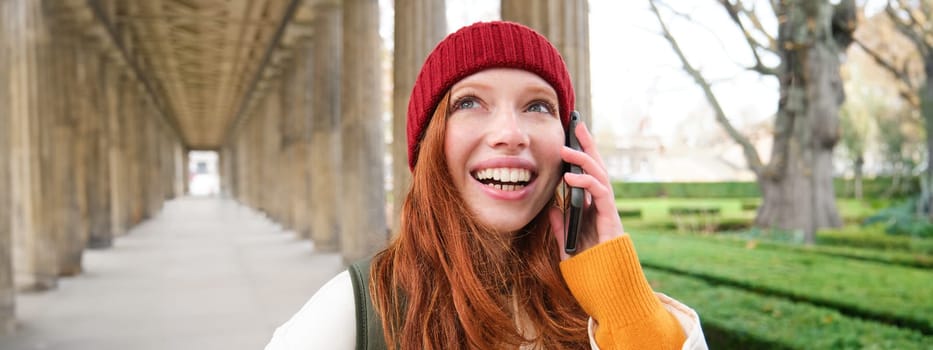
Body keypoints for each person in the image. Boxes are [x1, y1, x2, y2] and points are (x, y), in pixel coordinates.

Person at [265, 21, 706, 350]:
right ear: (429, 142)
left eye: (537, 105)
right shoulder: (355, 311)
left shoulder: (593, 301)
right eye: (470, 102)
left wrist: (617, 291)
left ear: (571, 140)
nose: (511, 134)